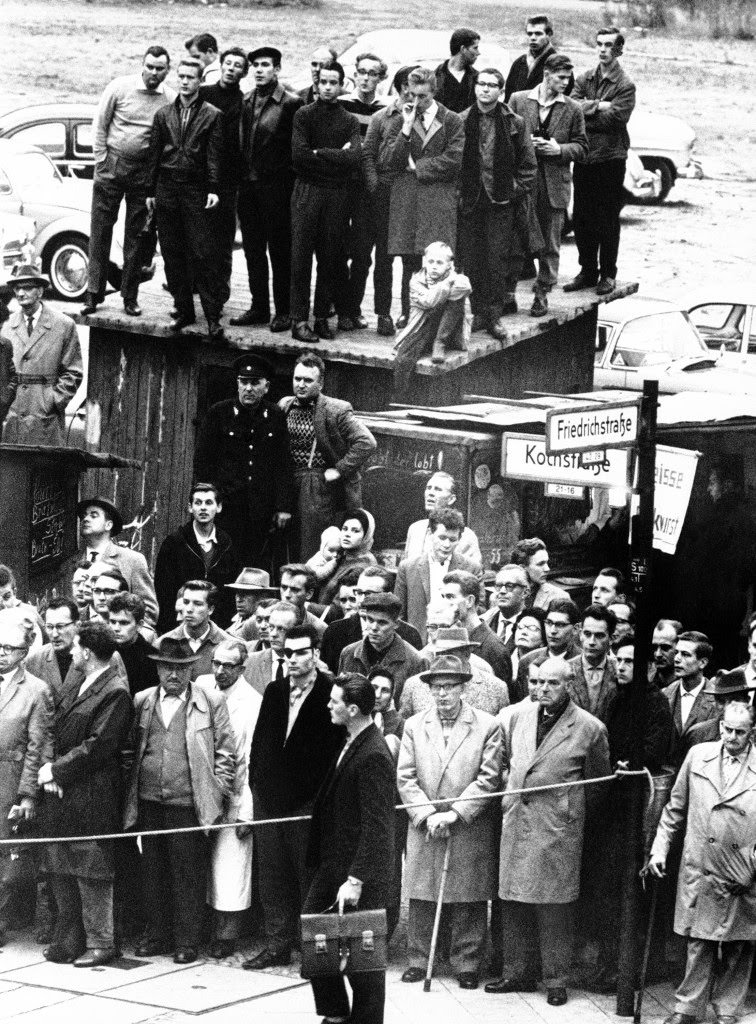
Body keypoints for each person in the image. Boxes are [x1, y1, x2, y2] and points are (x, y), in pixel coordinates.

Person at [487, 656, 611, 1006]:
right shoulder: (516, 716)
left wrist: (568, 812)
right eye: (537, 682)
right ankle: (517, 972)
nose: (542, 689)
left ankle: (556, 978)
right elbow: (507, 762)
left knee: (554, 906)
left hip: (557, 828)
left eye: (551, 684)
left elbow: (597, 785)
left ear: (569, 685)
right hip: (517, 821)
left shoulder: (589, 728)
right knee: (513, 901)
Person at [123, 636, 235, 964]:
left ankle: (187, 940)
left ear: (190, 670)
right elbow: (130, 748)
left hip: (188, 803)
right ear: (157, 668)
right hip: (149, 801)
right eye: (167, 668)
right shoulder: (142, 699)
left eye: (181, 669)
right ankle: (158, 935)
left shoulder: (210, 701)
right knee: (153, 870)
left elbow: (226, 751)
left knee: (188, 873)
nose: (173, 675)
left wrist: (218, 790)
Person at [398, 654, 502, 990]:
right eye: (437, 687)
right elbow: (405, 777)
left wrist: (455, 812)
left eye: (450, 687)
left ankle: (467, 962)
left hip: (467, 823)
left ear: (463, 688)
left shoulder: (488, 725)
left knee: (468, 895)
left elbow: (489, 778)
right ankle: (419, 959)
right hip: (425, 822)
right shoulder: (414, 725)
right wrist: (427, 813)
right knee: (422, 892)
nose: (443, 694)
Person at [648, 702, 756, 1024]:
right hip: (701, 863)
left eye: (740, 732)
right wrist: (659, 849)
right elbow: (674, 809)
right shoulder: (698, 755)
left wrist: (753, 866)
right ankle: (688, 1007)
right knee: (699, 939)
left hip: (743, 867)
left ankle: (727, 1008)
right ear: (720, 725)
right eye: (726, 729)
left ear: (752, 732)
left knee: (739, 943)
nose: (731, 737)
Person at [244, 624, 343, 970]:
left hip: (308, 806)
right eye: (289, 653)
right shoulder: (274, 691)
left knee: (309, 879)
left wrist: (319, 802)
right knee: (273, 877)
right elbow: (259, 744)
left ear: (316, 654)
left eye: (302, 652)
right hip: (269, 804)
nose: (294, 659)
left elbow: (335, 753)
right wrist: (257, 786)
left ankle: (312, 951)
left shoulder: (332, 693)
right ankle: (277, 945)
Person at [303, 673, 395, 1024]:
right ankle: (336, 1013)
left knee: (365, 962)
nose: (328, 705)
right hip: (334, 865)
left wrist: (356, 879)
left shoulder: (373, 754)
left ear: (353, 709)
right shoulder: (352, 739)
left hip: (358, 872)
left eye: (334, 701)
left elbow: (378, 827)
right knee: (316, 936)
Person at [40, 622, 132, 967]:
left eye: (76, 647)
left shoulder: (115, 691)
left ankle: (102, 942)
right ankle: (71, 938)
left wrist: (56, 770)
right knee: (62, 864)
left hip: (93, 795)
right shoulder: (80, 682)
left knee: (93, 871)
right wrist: (54, 772)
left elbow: (99, 746)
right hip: (65, 793)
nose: (72, 652)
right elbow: (58, 727)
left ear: (88, 652)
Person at [81, 46, 174, 317]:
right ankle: (93, 293)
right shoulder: (119, 88)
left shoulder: (169, 97)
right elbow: (99, 124)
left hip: (143, 175)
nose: (154, 73)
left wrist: (154, 175)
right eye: (150, 66)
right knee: (100, 231)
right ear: (142, 65)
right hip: (111, 168)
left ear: (167, 70)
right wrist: (101, 161)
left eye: (160, 68)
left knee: (136, 237)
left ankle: (129, 296)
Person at [146, 58, 225, 339]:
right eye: (181, 76)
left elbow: (215, 155)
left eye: (191, 77)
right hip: (167, 190)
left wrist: (213, 188)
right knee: (172, 253)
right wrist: (149, 192)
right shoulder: (163, 114)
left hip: (195, 190)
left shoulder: (212, 115)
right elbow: (154, 154)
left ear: (200, 80)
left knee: (203, 254)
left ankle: (213, 317)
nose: (184, 81)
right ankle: (183, 310)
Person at [458, 68, 537, 334]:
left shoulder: (515, 122)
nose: (486, 89)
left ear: (501, 91)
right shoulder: (461, 120)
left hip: (501, 201)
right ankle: (477, 311)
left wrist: (512, 189)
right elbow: (452, 161)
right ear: (475, 87)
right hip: (470, 199)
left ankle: (493, 315)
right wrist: (459, 193)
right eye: (481, 83)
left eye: (492, 85)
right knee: (471, 257)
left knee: (496, 259)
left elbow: (528, 165)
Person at [195, 354, 294, 567]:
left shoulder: (275, 416)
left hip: (262, 511)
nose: (248, 388)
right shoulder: (218, 413)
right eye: (244, 382)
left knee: (256, 564)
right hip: (227, 508)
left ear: (266, 387)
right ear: (237, 384)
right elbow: (203, 463)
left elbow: (283, 465)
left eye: (255, 383)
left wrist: (283, 506)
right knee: (222, 561)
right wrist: (208, 501)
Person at [386, 67, 465, 331]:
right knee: (410, 261)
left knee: (438, 262)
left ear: (434, 92)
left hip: (438, 201)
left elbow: (454, 160)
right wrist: (407, 127)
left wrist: (417, 167)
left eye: (423, 97)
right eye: (412, 95)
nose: (416, 102)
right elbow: (391, 160)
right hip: (408, 200)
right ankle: (409, 315)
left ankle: (440, 323)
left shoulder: (452, 119)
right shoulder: (403, 117)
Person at [509, 54, 588, 316]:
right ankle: (508, 294)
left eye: (568, 77)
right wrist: (524, 146)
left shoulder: (573, 108)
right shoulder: (519, 100)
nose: (566, 82)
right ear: (546, 74)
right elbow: (505, 136)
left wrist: (559, 149)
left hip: (554, 183)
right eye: (561, 77)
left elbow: (582, 147)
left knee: (550, 242)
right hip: (523, 181)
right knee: (516, 237)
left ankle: (542, 292)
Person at [289, 60, 361, 343]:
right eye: (323, 82)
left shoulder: (349, 120)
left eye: (334, 82)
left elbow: (353, 158)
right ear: (316, 84)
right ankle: (298, 319)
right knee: (301, 256)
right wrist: (333, 155)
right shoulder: (304, 115)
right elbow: (299, 157)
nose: (328, 87)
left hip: (336, 195)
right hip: (307, 192)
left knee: (330, 257)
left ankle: (320, 317)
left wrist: (319, 153)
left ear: (342, 85)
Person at [232, 46, 302, 332]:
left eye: (265, 65)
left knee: (280, 251)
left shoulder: (290, 103)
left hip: (277, 190)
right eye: (255, 66)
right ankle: (259, 307)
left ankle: (283, 311)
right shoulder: (246, 100)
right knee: (253, 250)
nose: (259, 70)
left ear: (277, 69)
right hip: (248, 190)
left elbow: (294, 152)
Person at [279, 353, 377, 560]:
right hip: (287, 482)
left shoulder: (336, 410)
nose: (301, 385)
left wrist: (340, 469)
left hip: (316, 486)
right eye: (297, 379)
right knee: (284, 542)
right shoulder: (285, 405)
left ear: (320, 383)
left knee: (312, 545)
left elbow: (366, 442)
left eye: (308, 380)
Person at [198, 639, 261, 958]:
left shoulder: (252, 703)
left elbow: (250, 759)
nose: (220, 671)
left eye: (229, 666)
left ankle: (228, 933)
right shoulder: (202, 687)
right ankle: (201, 926)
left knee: (230, 869)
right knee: (202, 866)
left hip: (233, 796)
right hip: (199, 791)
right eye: (216, 663)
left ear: (242, 668)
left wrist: (247, 812)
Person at [565, 27, 636, 296]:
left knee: (606, 217)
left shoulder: (625, 84)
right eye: (599, 44)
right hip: (585, 157)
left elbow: (616, 118)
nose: (603, 49)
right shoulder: (585, 77)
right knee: (582, 216)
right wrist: (599, 105)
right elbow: (572, 108)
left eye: (608, 45)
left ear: (618, 50)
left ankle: (608, 273)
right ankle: (587, 270)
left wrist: (589, 108)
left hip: (610, 158)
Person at [0, 618, 53, 948]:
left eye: (9, 649)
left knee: (6, 855)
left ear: (24, 652)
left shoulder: (36, 690)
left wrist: (27, 794)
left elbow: (39, 746)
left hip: (8, 780)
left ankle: (2, 920)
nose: (1, 654)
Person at [362, 64, 418, 337]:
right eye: (411, 84)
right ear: (400, 87)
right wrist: (374, 187)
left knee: (411, 256)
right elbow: (368, 154)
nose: (415, 90)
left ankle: (408, 312)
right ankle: (383, 313)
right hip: (384, 193)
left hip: (411, 192)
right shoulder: (381, 117)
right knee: (384, 256)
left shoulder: (426, 117)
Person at [334, 52, 388, 332]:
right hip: (341, 186)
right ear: (354, 74)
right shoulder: (341, 103)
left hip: (368, 189)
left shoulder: (385, 109)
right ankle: (339, 307)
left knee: (363, 253)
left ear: (381, 78)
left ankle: (353, 308)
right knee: (337, 247)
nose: (366, 78)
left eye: (373, 73)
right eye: (362, 72)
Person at [1, 263, 83, 446]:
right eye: (17, 288)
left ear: (40, 291)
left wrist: (53, 400)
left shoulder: (63, 325)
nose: (21, 293)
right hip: (12, 413)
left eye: (27, 288)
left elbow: (74, 371)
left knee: (45, 469)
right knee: (13, 469)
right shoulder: (7, 326)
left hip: (46, 415)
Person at [66, 497, 158, 637]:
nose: (85, 519)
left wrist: (127, 639)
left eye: (93, 515)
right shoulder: (73, 562)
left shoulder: (132, 560)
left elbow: (149, 611)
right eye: (84, 516)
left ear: (108, 525)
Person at [199, 47, 248, 307]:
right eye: (227, 63)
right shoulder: (204, 94)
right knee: (197, 234)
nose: (231, 68)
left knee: (224, 236)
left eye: (237, 65)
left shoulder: (244, 101)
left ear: (244, 71)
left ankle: (220, 289)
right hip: (199, 175)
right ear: (220, 65)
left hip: (229, 179)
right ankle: (194, 286)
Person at [154, 482, 238, 634]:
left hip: (216, 627)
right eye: (198, 503)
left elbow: (230, 592)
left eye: (208, 503)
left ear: (218, 507)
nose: (203, 508)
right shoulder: (175, 543)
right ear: (190, 507)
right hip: (181, 625)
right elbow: (163, 591)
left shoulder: (227, 543)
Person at [392, 241, 472, 394]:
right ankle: (401, 394)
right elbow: (429, 301)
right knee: (404, 358)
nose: (434, 266)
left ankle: (440, 343)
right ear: (424, 262)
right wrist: (448, 283)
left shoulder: (457, 278)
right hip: (423, 327)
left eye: (440, 263)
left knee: (457, 301)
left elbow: (466, 287)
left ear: (449, 266)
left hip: (448, 328)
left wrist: (447, 286)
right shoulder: (416, 281)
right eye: (431, 262)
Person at [395, 508, 481, 643]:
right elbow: (399, 615)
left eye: (453, 540)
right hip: (418, 645)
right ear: (430, 533)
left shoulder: (471, 568)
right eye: (442, 538)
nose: (446, 545)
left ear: (459, 539)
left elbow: (477, 612)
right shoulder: (408, 567)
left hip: (457, 644)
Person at [320, 566, 422, 674]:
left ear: (389, 595)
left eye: (369, 594)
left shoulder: (410, 634)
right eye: (359, 592)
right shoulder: (335, 632)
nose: (362, 600)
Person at [400, 622, 510, 718]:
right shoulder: (414, 685)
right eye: (439, 654)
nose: (445, 660)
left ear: (467, 654)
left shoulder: (496, 688)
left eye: (450, 654)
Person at [338, 592, 423, 705]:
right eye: (370, 620)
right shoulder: (348, 653)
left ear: (396, 624)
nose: (373, 628)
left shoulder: (416, 661)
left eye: (382, 622)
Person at [441, 570, 511, 683]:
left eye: (450, 597)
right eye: (443, 597)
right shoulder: (449, 639)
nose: (444, 603)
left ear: (469, 601)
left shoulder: (494, 649)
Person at [663, 630, 718, 767]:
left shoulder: (717, 700)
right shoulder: (665, 695)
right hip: (667, 777)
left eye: (685, 655)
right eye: (676, 653)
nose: (677, 659)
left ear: (702, 663)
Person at [158, 580, 232, 679]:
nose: (189, 609)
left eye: (197, 604)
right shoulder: (162, 644)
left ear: (210, 609)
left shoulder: (229, 645)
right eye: (186, 602)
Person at [405, 471, 482, 565]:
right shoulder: (415, 529)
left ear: (451, 499)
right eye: (428, 488)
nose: (431, 493)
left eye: (437, 489)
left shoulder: (467, 536)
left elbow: (472, 575)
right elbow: (406, 568)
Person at [514, 597, 581, 701]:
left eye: (560, 625)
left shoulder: (582, 662)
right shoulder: (527, 661)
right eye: (549, 623)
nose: (553, 630)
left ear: (575, 629)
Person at [567, 603, 618, 723]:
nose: (592, 642)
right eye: (587, 634)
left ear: (611, 639)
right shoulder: (564, 670)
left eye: (599, 636)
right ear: (580, 634)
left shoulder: (620, 670)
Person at [26, 598, 81, 705]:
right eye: (50, 627)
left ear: (77, 626)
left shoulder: (98, 656)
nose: (54, 634)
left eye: (60, 626)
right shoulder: (34, 660)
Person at [317, 512, 378, 606]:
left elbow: (339, 610)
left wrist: (306, 607)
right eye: (344, 529)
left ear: (366, 536)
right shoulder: (340, 555)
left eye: (355, 531)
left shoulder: (362, 566)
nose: (347, 534)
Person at [504, 15, 569, 102]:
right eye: (529, 34)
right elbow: (508, 99)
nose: (533, 38)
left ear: (549, 35)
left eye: (538, 33)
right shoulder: (519, 63)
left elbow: (563, 102)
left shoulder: (560, 65)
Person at [243, 600, 298, 696]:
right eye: (271, 627)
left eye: (281, 629)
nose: (273, 634)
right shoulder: (249, 662)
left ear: (297, 631)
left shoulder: (311, 666)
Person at [107, 593, 159, 697]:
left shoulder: (153, 659)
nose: (116, 628)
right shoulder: (102, 651)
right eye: (112, 622)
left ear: (139, 625)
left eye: (124, 623)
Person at [510, 537, 569, 609]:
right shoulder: (503, 596)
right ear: (522, 568)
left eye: (547, 563)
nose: (547, 569)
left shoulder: (559, 597)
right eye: (540, 564)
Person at [225, 568, 279, 643]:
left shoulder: (265, 625)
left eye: (245, 594)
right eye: (237, 593)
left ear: (263, 597)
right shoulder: (237, 621)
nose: (239, 599)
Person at [434, 28, 480, 112]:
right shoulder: (434, 77)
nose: (478, 52)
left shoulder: (478, 78)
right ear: (463, 49)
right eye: (475, 48)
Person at [279, 563, 330, 639]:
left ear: (309, 594)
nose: (287, 594)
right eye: (284, 587)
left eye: (295, 590)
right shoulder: (262, 619)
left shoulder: (319, 629)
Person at [484, 564, 530, 646]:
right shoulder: (485, 621)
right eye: (498, 586)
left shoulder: (533, 627)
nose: (502, 591)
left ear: (525, 592)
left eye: (509, 586)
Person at [510, 607, 548, 681]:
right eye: (520, 627)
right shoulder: (504, 658)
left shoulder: (547, 665)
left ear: (544, 638)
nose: (524, 632)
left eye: (532, 628)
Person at [650, 618, 682, 688]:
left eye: (665, 648)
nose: (658, 654)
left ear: (679, 646)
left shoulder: (687, 685)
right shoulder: (646, 682)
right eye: (655, 648)